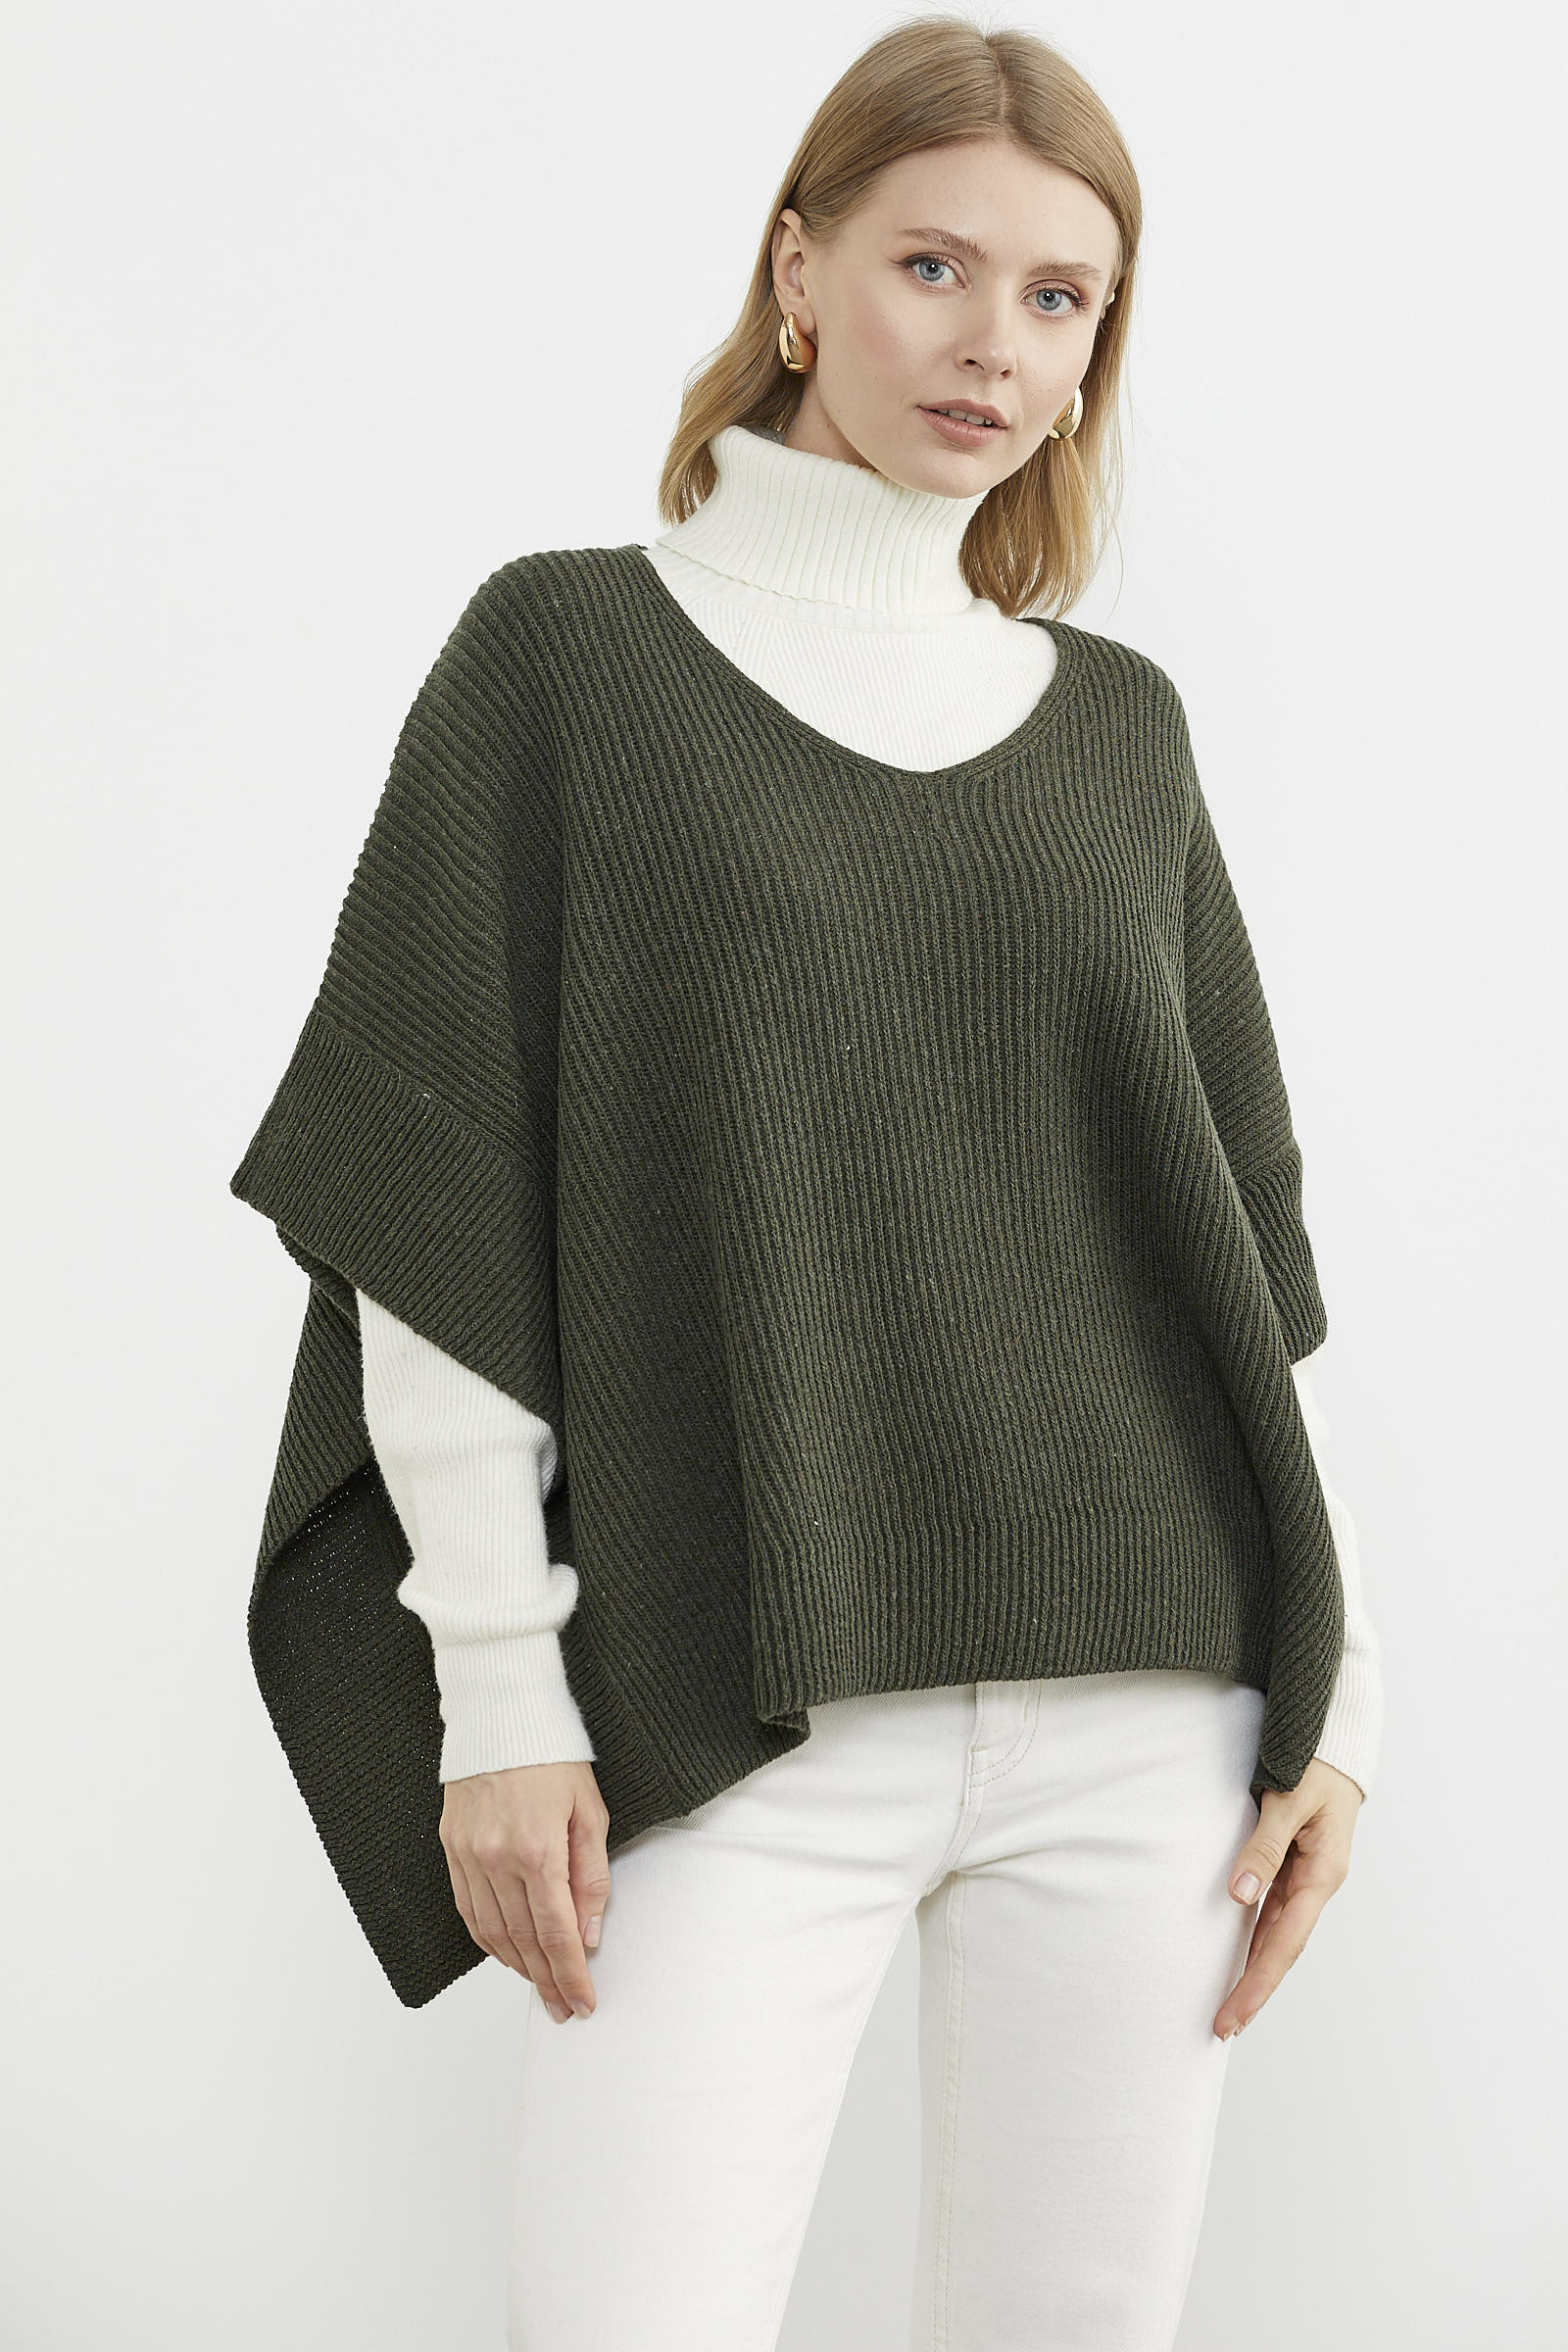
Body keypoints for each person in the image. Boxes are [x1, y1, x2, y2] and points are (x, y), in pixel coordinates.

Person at [230, 18, 1383, 2348]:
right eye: (931, 266)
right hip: (737, 1677)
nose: (994, 346)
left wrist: (1334, 1689)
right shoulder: (567, 656)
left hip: (1147, 1696)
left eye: (1058, 298)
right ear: (795, 270)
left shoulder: (1119, 730)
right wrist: (496, 1694)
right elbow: (435, 1198)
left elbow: (1224, 1259)